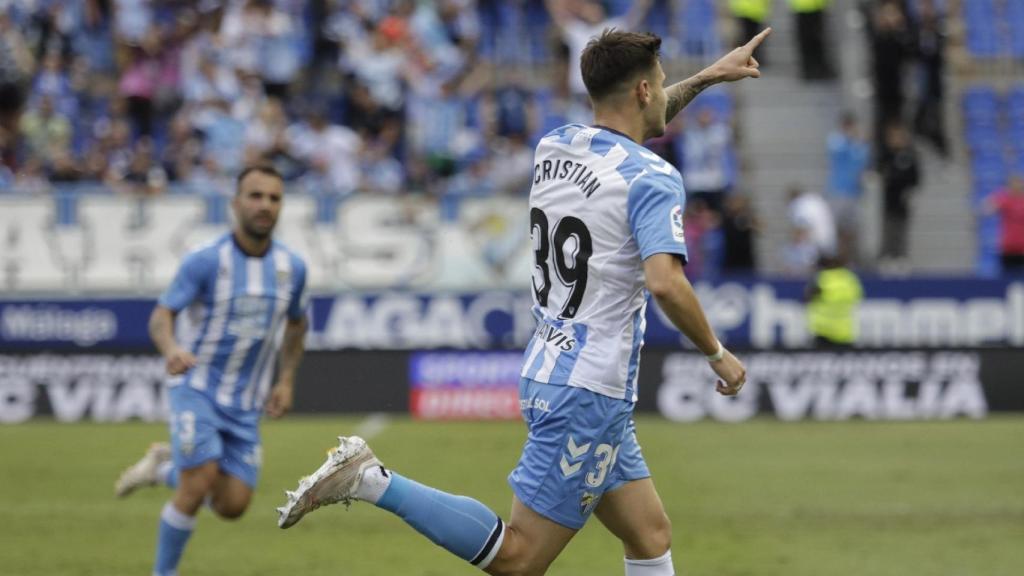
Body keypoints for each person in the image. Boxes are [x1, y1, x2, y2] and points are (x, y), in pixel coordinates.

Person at [276, 28, 769, 576]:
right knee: (519, 558)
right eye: (657, 80)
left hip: (551, 366)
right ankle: (371, 480)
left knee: (649, 534)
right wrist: (715, 353)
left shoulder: (554, 147)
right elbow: (666, 283)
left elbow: (638, 118)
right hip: (589, 389)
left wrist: (705, 76)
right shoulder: (654, 179)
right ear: (644, 91)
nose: (660, 91)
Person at [114, 165, 309, 576]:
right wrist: (170, 348)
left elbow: (297, 325)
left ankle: (160, 469)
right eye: (255, 196)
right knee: (198, 482)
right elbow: (161, 316)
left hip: (245, 403)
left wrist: (286, 379)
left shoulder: (293, 267)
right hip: (196, 387)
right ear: (236, 203)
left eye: (274, 198)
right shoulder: (205, 260)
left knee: (233, 504)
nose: (265, 206)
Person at [826, 112, 870, 261]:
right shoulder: (835, 140)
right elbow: (836, 151)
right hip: (837, 191)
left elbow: (864, 160)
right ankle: (834, 257)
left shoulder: (859, 145)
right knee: (836, 227)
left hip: (854, 193)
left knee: (852, 229)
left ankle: (849, 257)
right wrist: (851, 138)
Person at [806, 255, 863, 348]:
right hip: (845, 331)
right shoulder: (849, 279)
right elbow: (858, 296)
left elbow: (808, 298)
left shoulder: (821, 279)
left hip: (823, 331)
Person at [983, 174, 1024, 275]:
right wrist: (998, 195)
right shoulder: (1005, 199)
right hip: (1008, 246)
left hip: (1022, 247)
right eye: (1014, 184)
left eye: (1019, 183)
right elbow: (986, 210)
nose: (1017, 186)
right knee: (1006, 276)